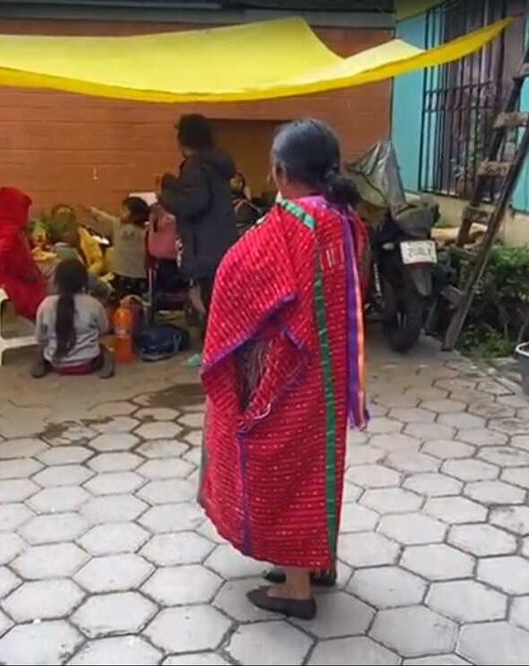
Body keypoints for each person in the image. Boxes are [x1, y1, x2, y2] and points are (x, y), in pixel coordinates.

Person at [198, 119, 369, 620]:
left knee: (281, 470)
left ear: (279, 172)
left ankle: (297, 591)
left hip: (288, 374)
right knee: (319, 469)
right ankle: (317, 562)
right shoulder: (346, 220)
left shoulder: (288, 227)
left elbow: (236, 281)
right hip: (331, 375)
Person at [159, 114, 238, 323]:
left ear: (184, 139)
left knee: (211, 307)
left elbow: (194, 202)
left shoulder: (194, 166)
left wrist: (164, 197)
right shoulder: (216, 165)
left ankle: (213, 342)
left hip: (204, 247)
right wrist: (172, 183)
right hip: (223, 243)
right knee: (223, 305)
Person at [32, 258, 114, 379]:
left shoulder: (46, 304)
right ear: (84, 281)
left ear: (57, 281)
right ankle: (106, 364)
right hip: (88, 363)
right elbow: (104, 329)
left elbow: (40, 337)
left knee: (41, 348)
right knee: (104, 349)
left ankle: (43, 363)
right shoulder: (93, 304)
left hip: (56, 364)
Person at [0, 186, 46, 321]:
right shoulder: (9, 230)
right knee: (54, 272)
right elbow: (3, 254)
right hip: (5, 276)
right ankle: (48, 316)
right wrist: (27, 273)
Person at [85, 197, 150, 298]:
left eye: (124, 210)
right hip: (125, 275)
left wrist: (95, 212)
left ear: (135, 214)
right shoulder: (120, 225)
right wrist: (94, 212)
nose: (120, 211)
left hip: (136, 275)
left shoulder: (144, 231)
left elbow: (108, 220)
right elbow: (106, 219)